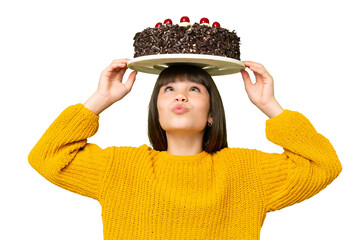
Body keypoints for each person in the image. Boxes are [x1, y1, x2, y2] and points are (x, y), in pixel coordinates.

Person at [28, 59, 342, 240]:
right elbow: (47, 156)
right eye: (169, 89)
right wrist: (101, 99)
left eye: (193, 89)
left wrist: (269, 105)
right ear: (157, 111)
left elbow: (323, 165)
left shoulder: (245, 170)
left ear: (211, 114)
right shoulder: (121, 166)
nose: (181, 97)